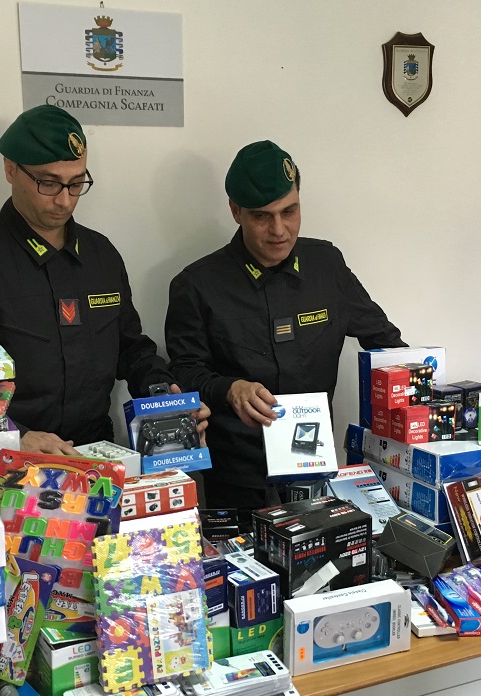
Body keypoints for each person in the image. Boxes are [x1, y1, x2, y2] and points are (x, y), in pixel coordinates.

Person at [0, 105, 208, 455]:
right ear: (10, 169)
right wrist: (11, 435)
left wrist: (165, 394)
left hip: (94, 455)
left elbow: (130, 346)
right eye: (48, 183)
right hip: (6, 460)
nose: (64, 200)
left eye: (76, 184)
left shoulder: (101, 255)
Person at [164, 140, 405, 514]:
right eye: (262, 216)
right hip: (238, 476)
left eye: (289, 211)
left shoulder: (327, 265)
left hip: (315, 467)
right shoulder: (196, 285)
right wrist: (229, 389)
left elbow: (385, 343)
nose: (279, 230)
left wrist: (423, 396)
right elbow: (184, 372)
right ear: (235, 211)